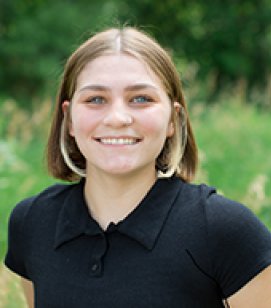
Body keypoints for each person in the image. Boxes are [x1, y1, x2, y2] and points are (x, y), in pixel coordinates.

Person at [4, 26, 271, 308]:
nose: (118, 118)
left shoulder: (226, 230)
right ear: (69, 119)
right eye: (96, 99)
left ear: (172, 118)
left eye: (141, 99)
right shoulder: (32, 222)